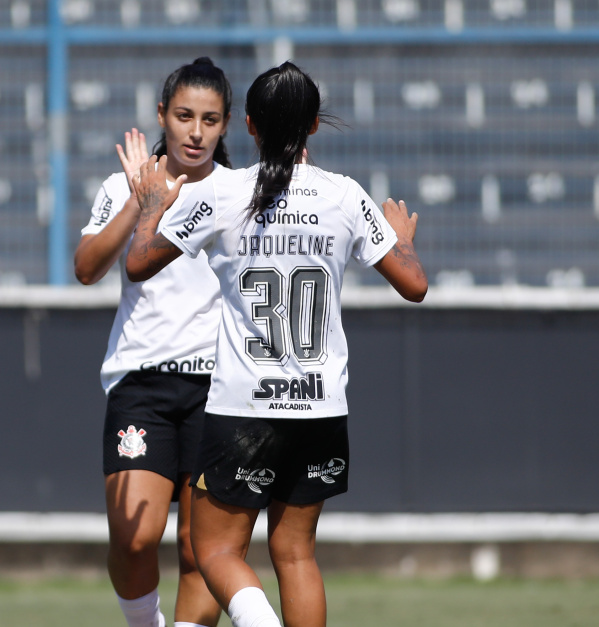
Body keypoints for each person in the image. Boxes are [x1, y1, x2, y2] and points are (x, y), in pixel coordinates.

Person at [124, 61, 427, 627]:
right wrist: (403, 242)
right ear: (313, 125)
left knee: (215, 552)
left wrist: (150, 207)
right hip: (320, 407)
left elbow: (138, 263)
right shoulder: (345, 196)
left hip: (245, 408)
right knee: (296, 553)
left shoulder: (223, 193)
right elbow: (415, 285)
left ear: (248, 126)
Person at [74, 57, 233, 627]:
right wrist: (140, 205)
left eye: (210, 120)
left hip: (220, 388)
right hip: (141, 381)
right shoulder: (123, 184)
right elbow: (87, 267)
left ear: (226, 125)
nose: (196, 131)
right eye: (185, 116)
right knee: (135, 536)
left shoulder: (241, 193)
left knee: (200, 548)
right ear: (162, 116)